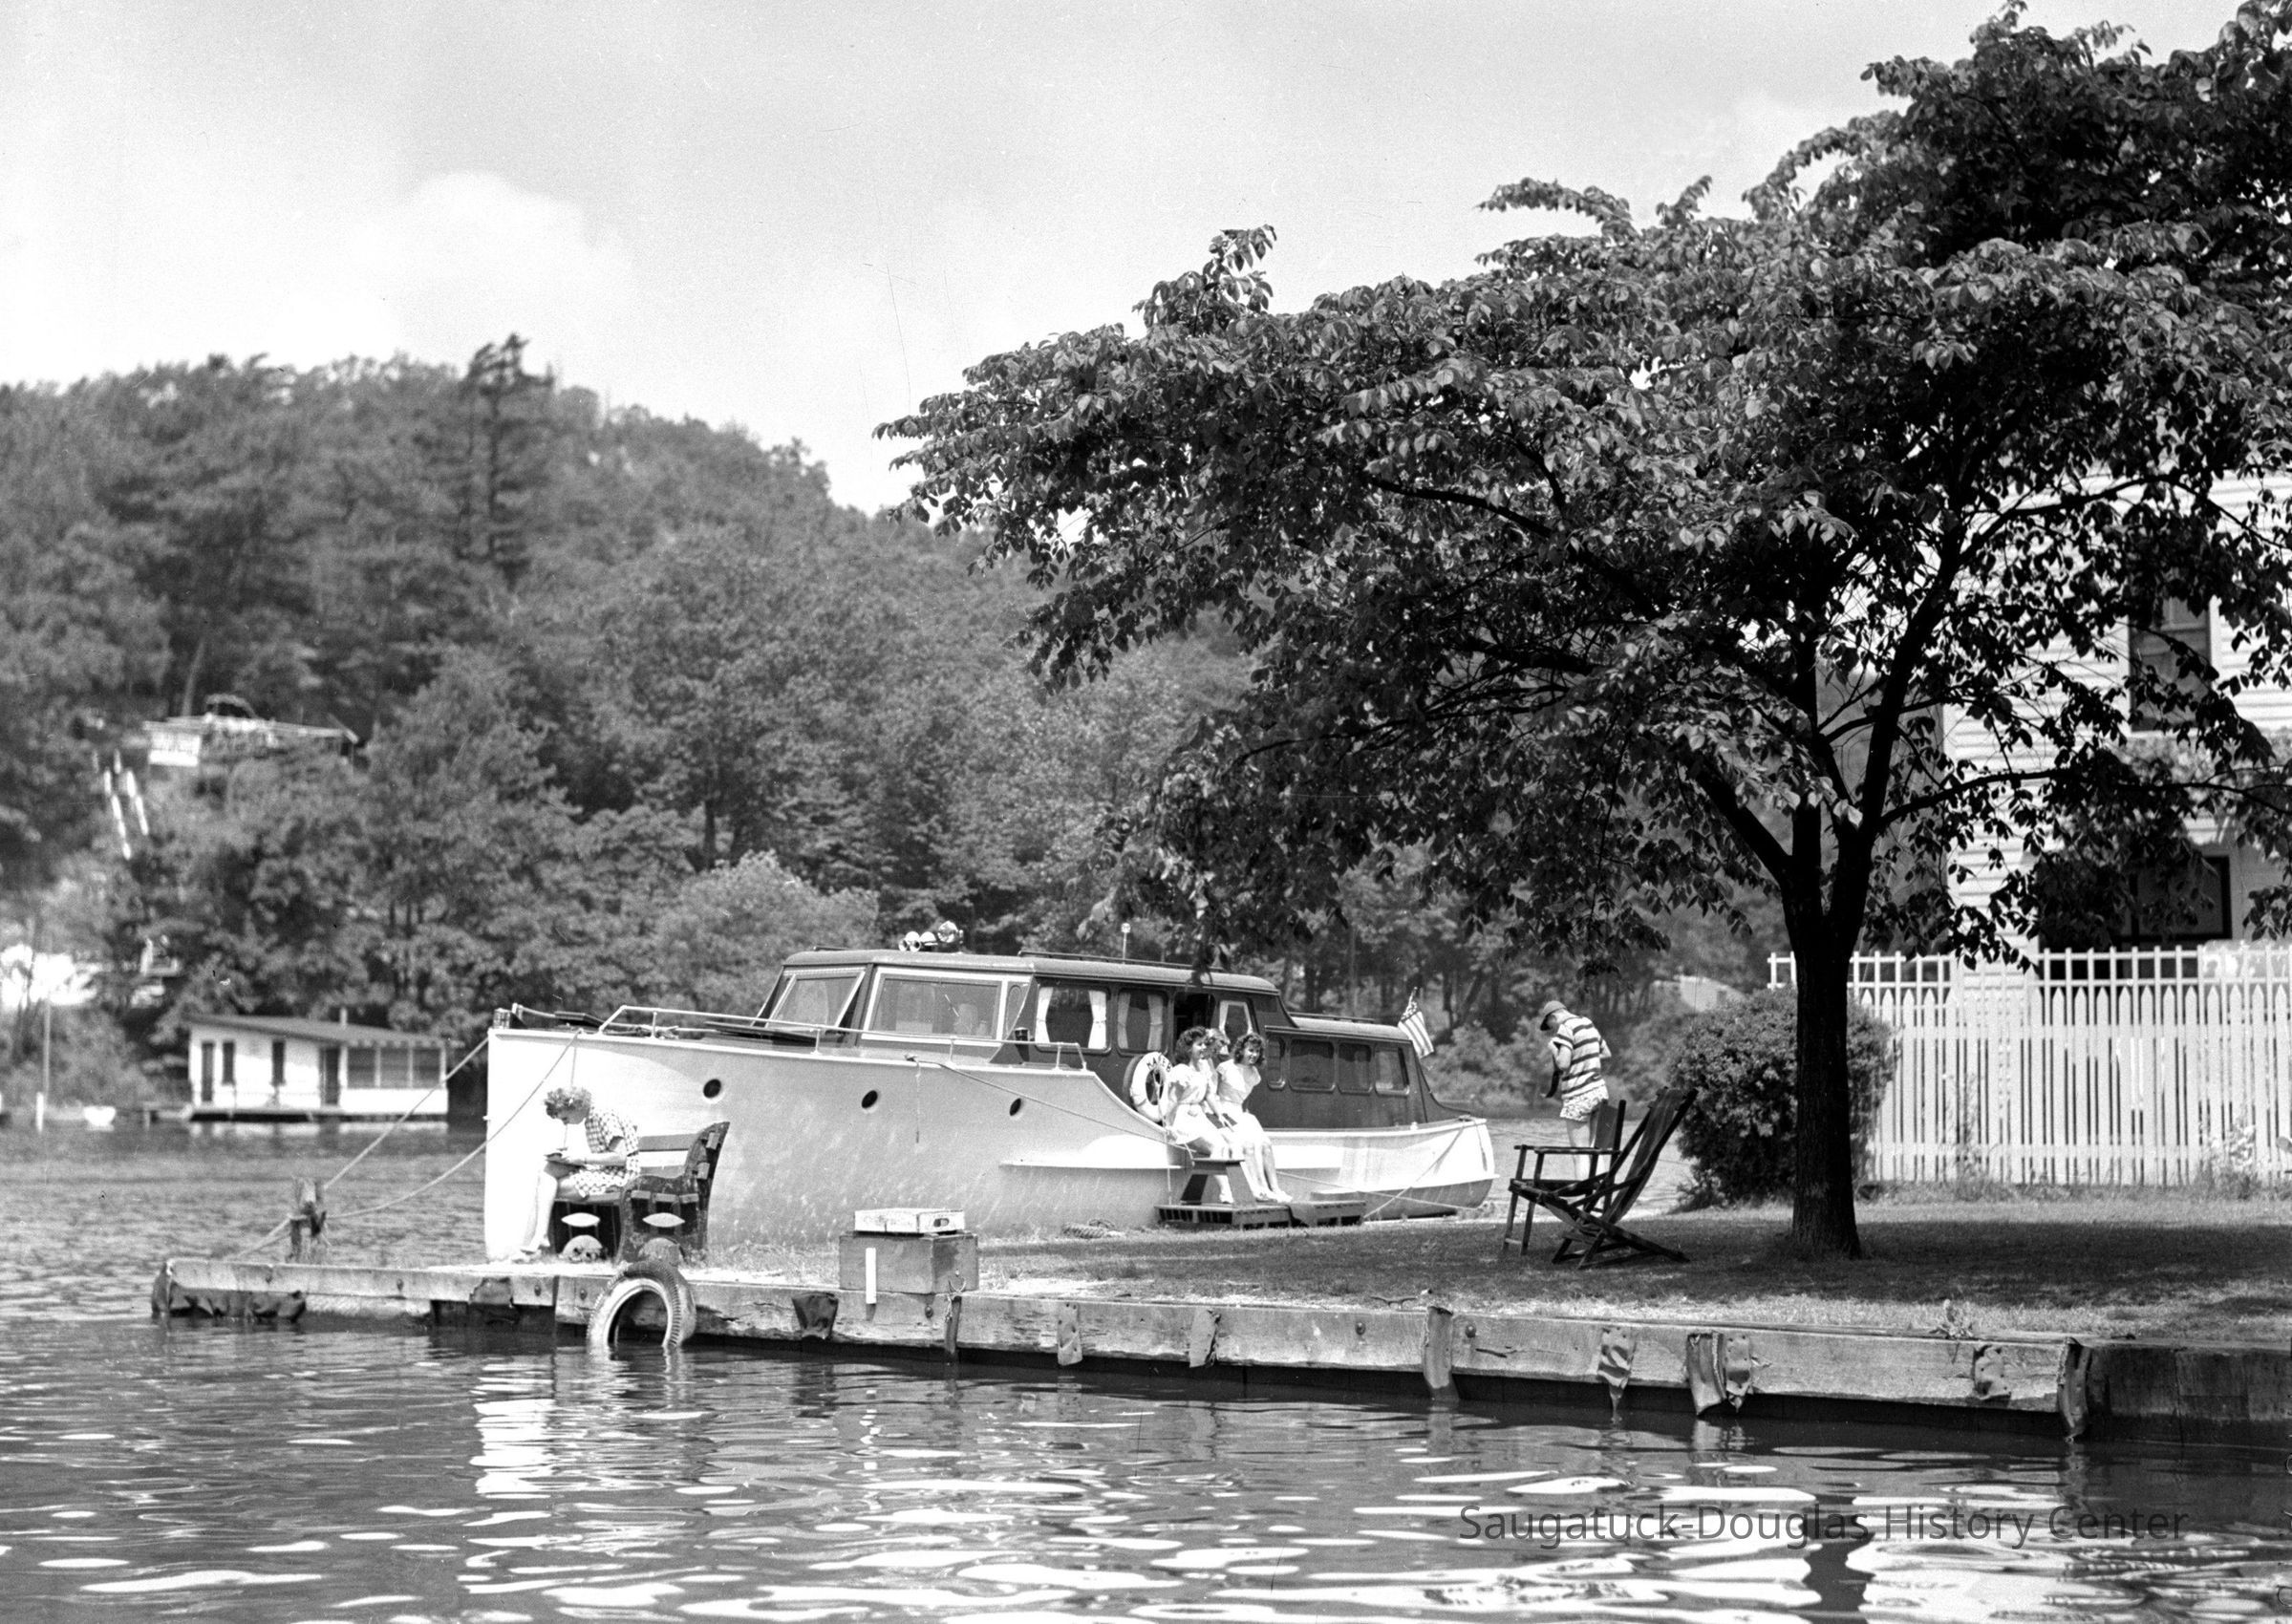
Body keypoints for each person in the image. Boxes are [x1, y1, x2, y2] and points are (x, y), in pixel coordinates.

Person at [504, 1083, 639, 1261]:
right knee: (547, 1172)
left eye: (565, 1118)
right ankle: (538, 1238)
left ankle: (532, 1247)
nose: (565, 1123)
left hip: (620, 1177)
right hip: (606, 1172)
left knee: (545, 1190)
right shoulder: (591, 1118)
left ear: (575, 1106)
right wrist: (566, 1159)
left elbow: (620, 1157)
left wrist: (580, 1159)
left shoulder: (604, 1115)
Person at [1210, 1031, 1289, 1201]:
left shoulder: (1254, 1075)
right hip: (1223, 1112)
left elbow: (1244, 1101)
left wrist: (1246, 1118)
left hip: (1240, 1114)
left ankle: (1274, 1188)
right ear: (1241, 1050)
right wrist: (1220, 1117)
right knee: (1249, 1145)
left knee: (1266, 1144)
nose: (1254, 1054)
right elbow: (1213, 1096)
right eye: (1250, 1050)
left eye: (1257, 1051)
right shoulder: (1225, 1068)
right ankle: (1257, 1188)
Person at [1539, 998, 1613, 1145]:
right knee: (1595, 1150)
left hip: (1579, 1096)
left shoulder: (1565, 1028)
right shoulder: (1587, 1023)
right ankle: (1601, 1170)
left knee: (1580, 1154)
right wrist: (1584, 1057)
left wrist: (1554, 1048)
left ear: (1553, 1017)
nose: (1553, 1031)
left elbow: (1563, 1065)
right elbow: (1606, 1053)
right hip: (1599, 1093)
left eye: (1550, 1026)